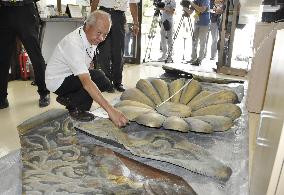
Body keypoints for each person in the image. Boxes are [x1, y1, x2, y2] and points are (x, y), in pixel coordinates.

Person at [45, 10, 128, 127]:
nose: (101, 38)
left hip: (69, 75)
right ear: (88, 26)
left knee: (104, 82)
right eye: (99, 33)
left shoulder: (90, 36)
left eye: (105, 34)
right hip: (57, 80)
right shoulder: (73, 43)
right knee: (95, 78)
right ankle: (76, 108)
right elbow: (87, 83)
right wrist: (110, 110)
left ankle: (70, 98)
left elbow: (86, 59)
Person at [0, 0, 50, 109]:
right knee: (3, 58)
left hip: (25, 10)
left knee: (35, 55)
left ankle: (44, 93)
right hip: (4, 10)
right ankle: (2, 97)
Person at [91, 0, 140, 93]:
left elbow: (133, 4)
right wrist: (92, 19)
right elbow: (95, 1)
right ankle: (106, 82)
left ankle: (117, 82)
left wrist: (136, 23)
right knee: (103, 52)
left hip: (119, 17)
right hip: (103, 14)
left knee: (118, 52)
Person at [183, 0, 210, 66]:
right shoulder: (195, 1)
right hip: (197, 23)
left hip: (204, 23)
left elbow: (202, 10)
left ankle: (199, 59)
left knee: (202, 42)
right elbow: (190, 12)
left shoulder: (206, 0)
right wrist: (184, 7)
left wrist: (191, 3)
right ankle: (193, 58)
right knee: (194, 41)